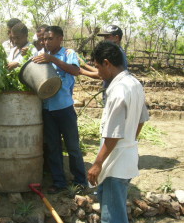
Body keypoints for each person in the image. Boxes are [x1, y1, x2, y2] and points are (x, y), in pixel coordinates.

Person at [88, 41, 149, 223]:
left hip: (115, 164)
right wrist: (129, 141)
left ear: (107, 63)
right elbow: (141, 119)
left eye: (98, 67)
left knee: (112, 217)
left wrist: (97, 164)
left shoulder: (118, 90)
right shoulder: (134, 83)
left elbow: (113, 134)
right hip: (127, 158)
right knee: (115, 208)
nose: (98, 73)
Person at [32, 26, 88, 194]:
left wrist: (53, 59)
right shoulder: (39, 56)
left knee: (73, 146)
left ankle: (80, 180)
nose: (46, 42)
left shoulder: (68, 54)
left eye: (50, 39)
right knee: (53, 147)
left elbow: (75, 70)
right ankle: (59, 182)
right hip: (47, 108)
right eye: (44, 39)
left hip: (64, 108)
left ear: (60, 38)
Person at [79, 25, 127, 103]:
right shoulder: (116, 52)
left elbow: (101, 74)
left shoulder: (116, 54)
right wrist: (85, 65)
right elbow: (102, 70)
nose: (105, 40)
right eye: (104, 37)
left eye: (107, 37)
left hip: (114, 95)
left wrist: (82, 72)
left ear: (117, 38)